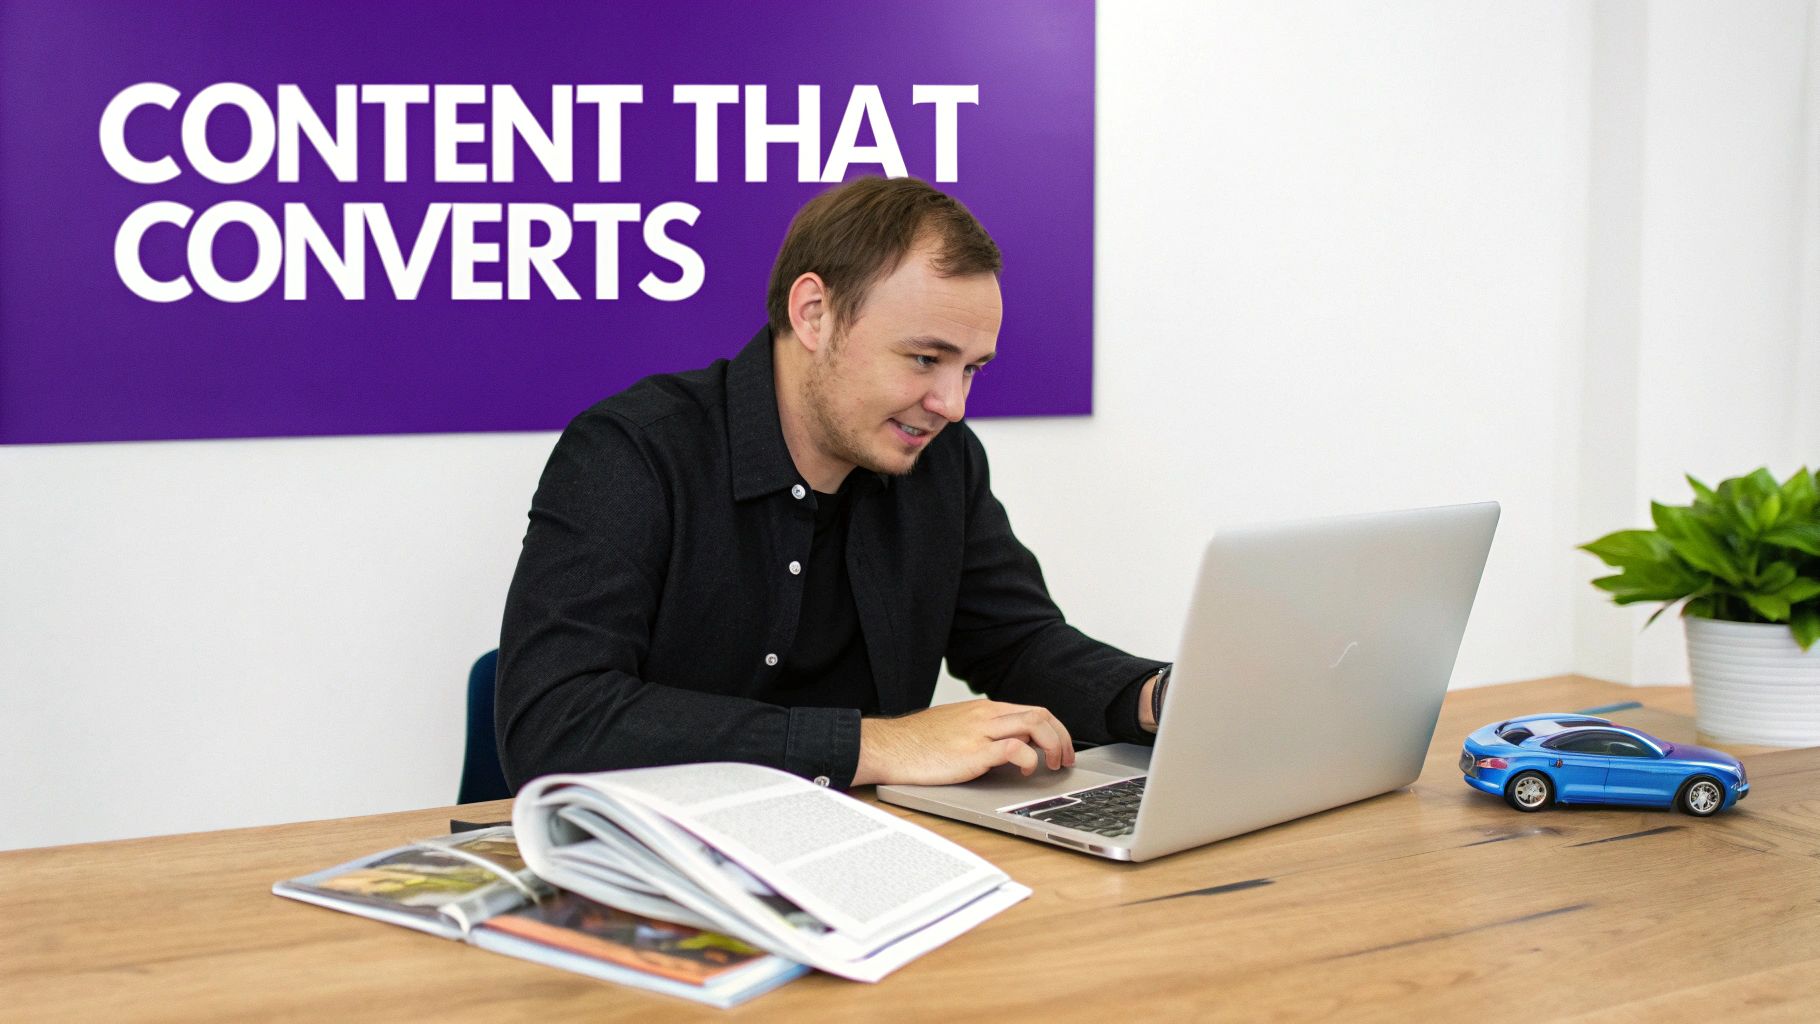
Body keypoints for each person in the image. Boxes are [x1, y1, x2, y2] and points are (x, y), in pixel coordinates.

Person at [497, 176, 1167, 793]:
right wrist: (875, 747)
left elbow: (1017, 644)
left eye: (972, 368)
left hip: (864, 860)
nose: (951, 403)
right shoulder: (634, 450)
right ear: (814, 313)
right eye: (926, 359)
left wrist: (1155, 696)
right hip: (656, 869)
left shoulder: (943, 460)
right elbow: (555, 721)